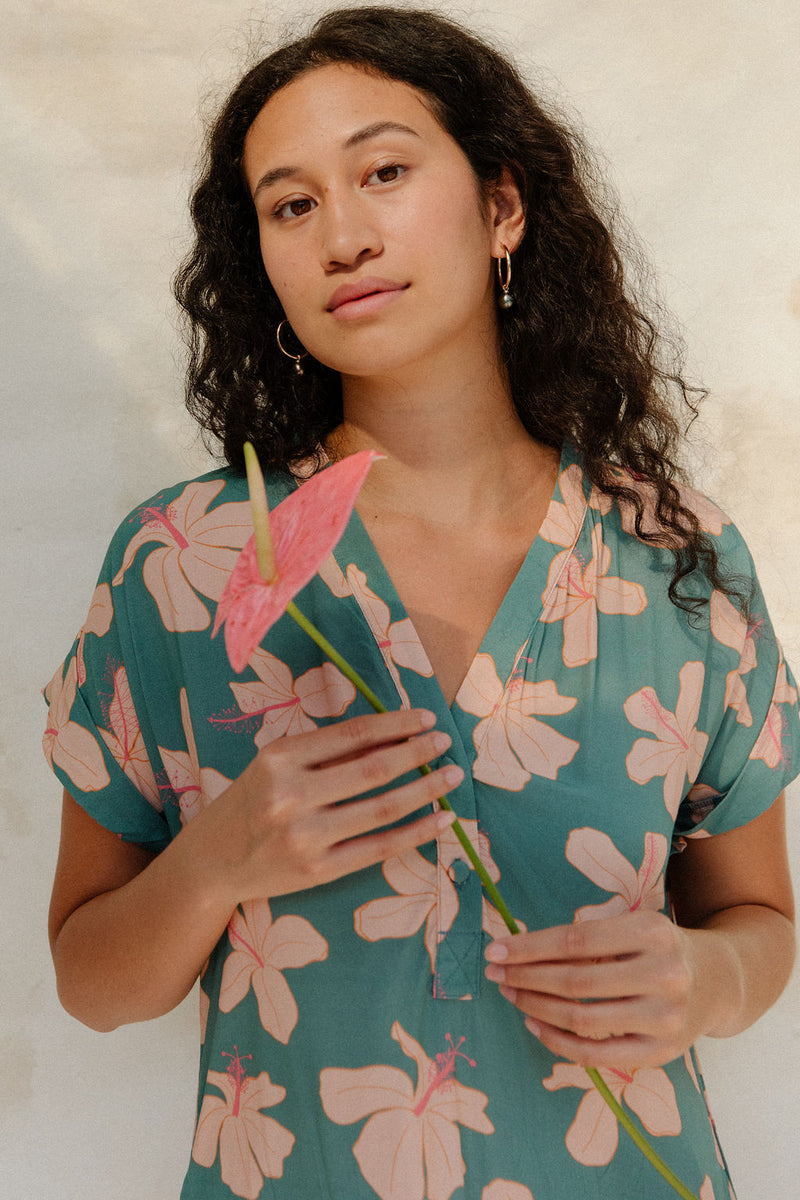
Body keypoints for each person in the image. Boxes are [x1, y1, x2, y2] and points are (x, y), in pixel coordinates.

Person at [44, 7, 798, 1199]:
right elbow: (90, 981)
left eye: (384, 172)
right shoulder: (181, 559)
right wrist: (214, 863)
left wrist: (703, 982)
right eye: (290, 205)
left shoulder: (675, 555)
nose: (343, 234)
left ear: (501, 206)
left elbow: (760, 918)